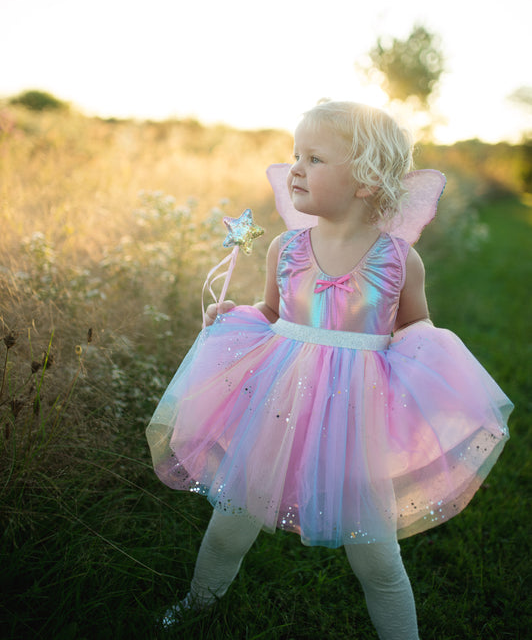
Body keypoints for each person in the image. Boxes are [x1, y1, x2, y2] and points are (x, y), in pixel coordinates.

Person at [146, 101, 513, 639]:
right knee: (231, 524)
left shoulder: (398, 260)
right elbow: (272, 315)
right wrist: (236, 316)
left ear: (365, 180)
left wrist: (429, 366)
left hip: (355, 420)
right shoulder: (285, 248)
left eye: (315, 158)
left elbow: (415, 332)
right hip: (275, 407)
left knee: (377, 557)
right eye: (295, 154)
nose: (295, 167)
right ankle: (198, 606)